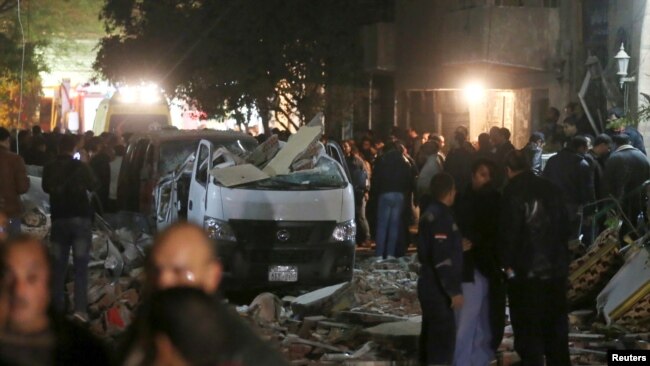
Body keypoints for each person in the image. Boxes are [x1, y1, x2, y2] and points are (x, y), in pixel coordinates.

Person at [120, 222, 289, 366]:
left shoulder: (245, 353)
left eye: (179, 271)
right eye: (155, 270)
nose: (164, 281)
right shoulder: (143, 329)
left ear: (212, 275)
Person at [499, 150, 571, 366]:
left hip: (525, 273)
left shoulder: (512, 192)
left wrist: (506, 266)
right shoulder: (552, 189)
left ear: (508, 170)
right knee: (556, 326)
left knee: (528, 327)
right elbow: (565, 228)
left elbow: (508, 233)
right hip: (555, 270)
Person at [0, 235, 109, 366]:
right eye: (7, 277)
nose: (18, 290)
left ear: (49, 282)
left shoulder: (86, 352)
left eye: (32, 277)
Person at [453, 159, 505, 365]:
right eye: (483, 174)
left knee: (484, 323)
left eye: (489, 175)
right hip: (469, 268)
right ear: (473, 175)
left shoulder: (495, 200)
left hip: (488, 268)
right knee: (466, 324)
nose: (487, 179)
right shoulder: (462, 200)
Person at [42, 135, 97, 321]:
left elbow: (45, 188)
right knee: (81, 266)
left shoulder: (49, 167)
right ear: (73, 148)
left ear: (58, 148)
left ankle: (58, 310)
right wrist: (86, 163)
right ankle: (80, 310)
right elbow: (94, 185)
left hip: (59, 220)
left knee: (58, 267)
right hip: (81, 219)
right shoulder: (81, 167)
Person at [417, 173, 463, 366]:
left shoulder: (430, 212)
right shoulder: (441, 216)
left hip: (428, 284)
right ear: (450, 191)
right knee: (442, 343)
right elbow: (441, 257)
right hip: (437, 288)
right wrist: (453, 291)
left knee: (430, 338)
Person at [370, 141, 415, 260]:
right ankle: (390, 253)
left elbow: (376, 178)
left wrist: (375, 193)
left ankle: (379, 254)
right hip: (399, 195)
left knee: (382, 225)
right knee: (394, 225)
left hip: (384, 193)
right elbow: (409, 178)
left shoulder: (382, 160)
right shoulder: (404, 161)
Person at [543, 136, 595, 237]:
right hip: (572, 210)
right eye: (586, 148)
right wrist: (589, 212)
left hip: (552, 207)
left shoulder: (552, 160)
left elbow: (544, 182)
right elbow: (587, 190)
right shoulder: (582, 164)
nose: (587, 151)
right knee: (572, 240)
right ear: (581, 148)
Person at [603, 134, 650, 236]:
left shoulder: (614, 158)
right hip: (642, 201)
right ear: (629, 142)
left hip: (622, 203)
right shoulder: (642, 156)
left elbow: (608, 184)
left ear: (615, 144)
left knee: (622, 231)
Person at [0, 127, 30, 237]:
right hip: (10, 212)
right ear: (7, 140)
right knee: (10, 249)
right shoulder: (15, 159)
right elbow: (22, 187)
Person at [342, 141, 371, 246]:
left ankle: (367, 237)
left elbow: (365, 176)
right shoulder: (342, 161)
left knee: (361, 216)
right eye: (343, 146)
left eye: (346, 146)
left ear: (350, 148)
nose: (344, 148)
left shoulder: (357, 161)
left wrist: (367, 190)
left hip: (359, 191)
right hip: (350, 191)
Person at [444, 126, 475, 192]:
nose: (448, 140)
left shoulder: (464, 153)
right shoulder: (452, 152)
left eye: (451, 138)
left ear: (456, 140)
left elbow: (465, 172)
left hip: (460, 188)